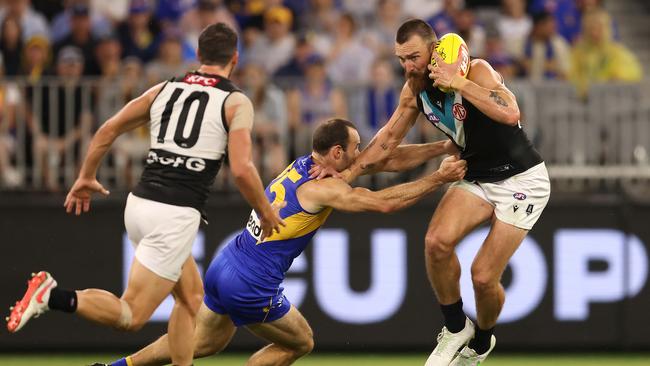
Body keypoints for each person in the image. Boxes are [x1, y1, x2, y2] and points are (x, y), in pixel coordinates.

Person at [6, 23, 284, 366]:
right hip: (176, 214)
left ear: (197, 55)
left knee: (191, 298)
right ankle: (52, 295)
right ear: (235, 59)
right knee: (131, 316)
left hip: (139, 204)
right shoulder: (236, 101)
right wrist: (265, 210)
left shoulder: (165, 88)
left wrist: (86, 175)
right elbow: (242, 169)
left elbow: (108, 129)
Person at [95, 118, 466, 366]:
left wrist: (440, 148)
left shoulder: (305, 166)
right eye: (355, 147)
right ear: (337, 152)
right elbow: (382, 202)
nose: (360, 153)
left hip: (226, 262)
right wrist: (437, 180)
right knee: (300, 342)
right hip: (251, 284)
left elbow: (376, 162)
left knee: (202, 343)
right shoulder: (326, 186)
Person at [312, 19, 550, 365]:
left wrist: (459, 83)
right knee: (436, 243)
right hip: (476, 174)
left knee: (483, 277)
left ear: (435, 50)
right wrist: (344, 174)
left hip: (522, 181)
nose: (407, 66)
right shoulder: (414, 92)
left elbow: (510, 111)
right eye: (401, 59)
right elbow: (386, 144)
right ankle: (455, 328)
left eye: (413, 57)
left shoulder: (477, 70)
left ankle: (481, 343)